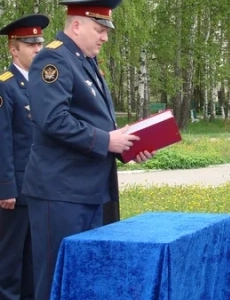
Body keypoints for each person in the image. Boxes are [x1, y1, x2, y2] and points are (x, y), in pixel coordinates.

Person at [22, 0, 152, 299]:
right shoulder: (53, 60)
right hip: (61, 193)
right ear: (77, 25)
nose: (105, 37)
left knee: (88, 276)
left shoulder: (84, 60)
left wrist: (127, 147)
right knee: (57, 276)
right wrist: (107, 141)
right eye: (99, 29)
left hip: (91, 190)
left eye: (106, 29)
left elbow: (95, 120)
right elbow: (52, 119)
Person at [0, 14, 49, 300]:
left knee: (34, 257)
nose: (37, 48)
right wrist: (5, 187)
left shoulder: (42, 84)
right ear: (13, 48)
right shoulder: (5, 86)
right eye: (29, 43)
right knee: (9, 259)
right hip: (15, 192)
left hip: (40, 188)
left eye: (39, 43)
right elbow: (3, 140)